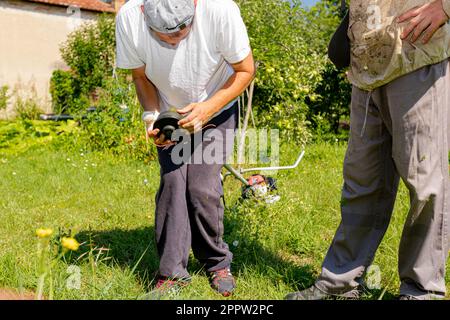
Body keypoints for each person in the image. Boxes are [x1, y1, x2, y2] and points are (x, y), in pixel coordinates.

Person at [286, 0, 450, 300]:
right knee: (362, 184)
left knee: (425, 186)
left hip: (417, 55)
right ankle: (340, 283)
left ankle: (421, 291)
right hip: (365, 68)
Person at [115, 0, 254, 297]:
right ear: (143, 12)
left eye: (181, 31)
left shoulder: (221, 10)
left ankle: (216, 262)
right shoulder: (128, 16)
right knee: (173, 186)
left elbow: (245, 70)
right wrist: (151, 116)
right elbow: (140, 76)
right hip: (169, 113)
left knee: (202, 188)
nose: (174, 41)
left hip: (217, 107)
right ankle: (172, 274)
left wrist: (207, 109)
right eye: (164, 35)